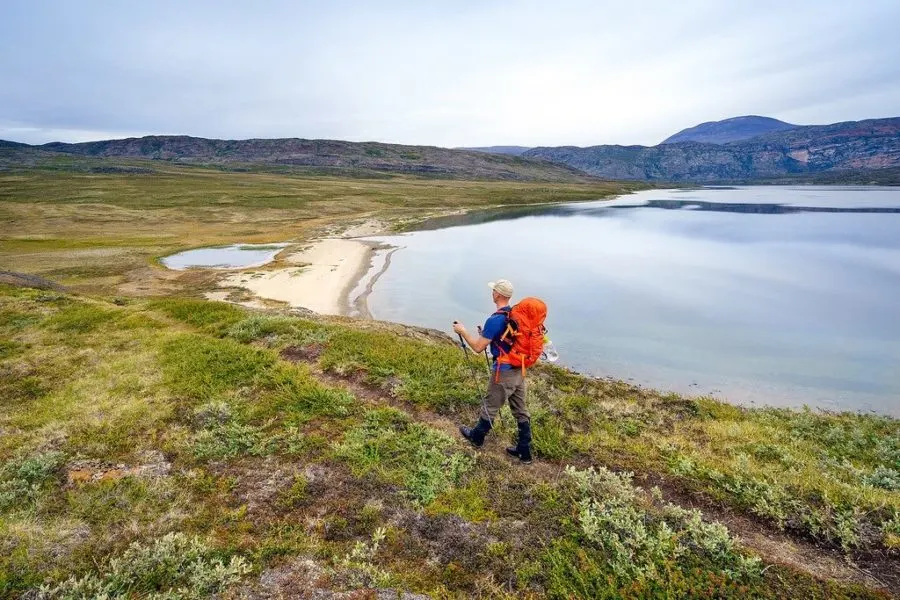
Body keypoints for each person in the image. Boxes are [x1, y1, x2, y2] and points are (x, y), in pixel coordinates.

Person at [453, 279, 533, 464]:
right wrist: (486, 334)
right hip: (519, 370)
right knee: (521, 410)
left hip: (503, 372)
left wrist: (463, 331)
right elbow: (507, 341)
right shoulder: (514, 316)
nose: (492, 293)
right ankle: (524, 451)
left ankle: (477, 437)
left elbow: (478, 348)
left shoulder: (496, 319)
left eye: (493, 291)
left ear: (497, 294)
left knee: (490, 406)